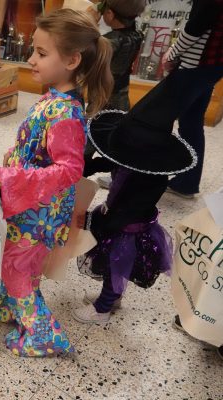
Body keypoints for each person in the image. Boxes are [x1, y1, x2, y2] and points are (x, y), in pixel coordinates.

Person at [0, 8, 113, 357]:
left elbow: (70, 169)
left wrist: (15, 175)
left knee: (15, 268)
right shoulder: (53, 98)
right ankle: (13, 309)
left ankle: (44, 335)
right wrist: (13, 161)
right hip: (29, 204)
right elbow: (36, 147)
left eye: (41, 53)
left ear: (72, 60)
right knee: (18, 263)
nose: (31, 59)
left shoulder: (65, 114)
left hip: (37, 212)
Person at [74, 110, 195, 324]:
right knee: (112, 265)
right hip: (115, 217)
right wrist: (82, 167)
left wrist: (100, 223)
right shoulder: (130, 157)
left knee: (115, 265)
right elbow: (108, 163)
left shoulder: (152, 177)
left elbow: (132, 208)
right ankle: (112, 298)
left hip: (127, 229)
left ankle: (102, 309)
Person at [162, 0, 223, 199]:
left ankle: (134, 177)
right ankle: (186, 183)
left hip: (195, 65)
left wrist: (172, 53)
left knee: (155, 119)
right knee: (192, 124)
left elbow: (196, 26)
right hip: (212, 66)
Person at [85, 0, 145, 190]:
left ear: (109, 14)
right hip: (121, 96)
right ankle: (119, 178)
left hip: (102, 98)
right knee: (116, 138)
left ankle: (78, 171)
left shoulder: (109, 41)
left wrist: (90, 24)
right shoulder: (137, 35)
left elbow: (86, 57)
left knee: (89, 136)